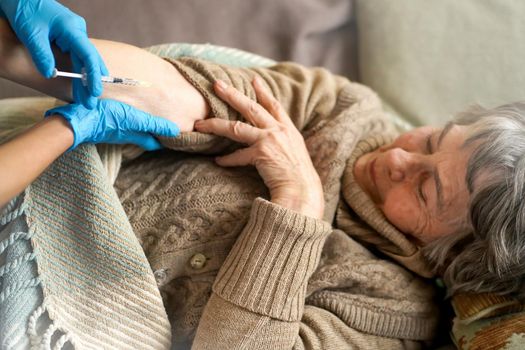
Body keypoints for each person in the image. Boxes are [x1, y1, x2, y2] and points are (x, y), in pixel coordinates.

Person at [0, 17, 523, 349]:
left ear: (452, 258)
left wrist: (298, 208)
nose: (400, 158)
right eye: (434, 139)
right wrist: (23, 46)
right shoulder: (345, 113)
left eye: (425, 190)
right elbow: (179, 94)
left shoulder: (390, 313)